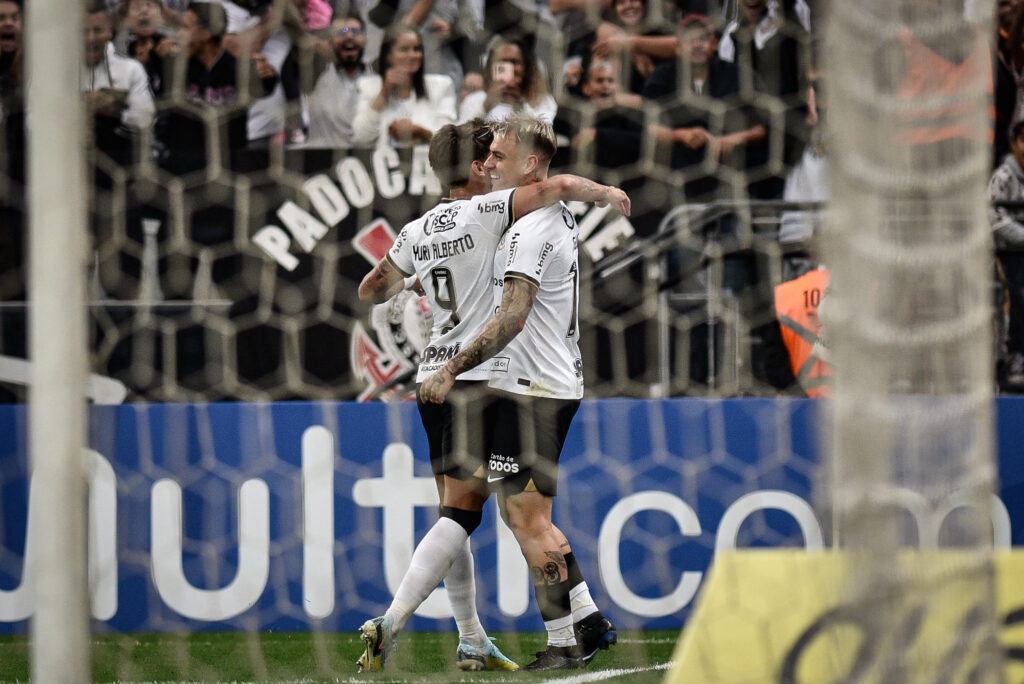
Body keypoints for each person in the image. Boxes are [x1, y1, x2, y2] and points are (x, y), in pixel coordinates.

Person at [357, 116, 628, 672]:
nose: (496, 164)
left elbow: (370, 290)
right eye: (490, 156)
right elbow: (560, 187)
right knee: (478, 514)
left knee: (479, 513)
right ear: (476, 167)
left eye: (504, 155)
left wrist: (411, 281)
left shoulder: (419, 230)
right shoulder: (500, 214)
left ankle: (491, 632)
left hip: (475, 379)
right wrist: (603, 192)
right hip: (493, 382)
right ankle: (572, 624)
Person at [352, 24, 456, 148]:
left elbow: (451, 141)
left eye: (417, 49)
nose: (413, 55)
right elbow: (360, 138)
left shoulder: (441, 86)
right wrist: (384, 92)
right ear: (388, 56)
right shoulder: (368, 86)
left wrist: (421, 132)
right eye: (404, 49)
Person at [83, 2, 156, 171]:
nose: (91, 38)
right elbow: (32, 121)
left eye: (98, 30)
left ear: (110, 30)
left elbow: (145, 120)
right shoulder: (55, 73)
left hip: (118, 165)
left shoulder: (130, 69)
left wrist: (113, 111)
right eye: (84, 32)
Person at [756, 265, 832, 397]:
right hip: (854, 406)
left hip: (797, 405)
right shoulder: (870, 293)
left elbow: (773, 364)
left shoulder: (781, 295)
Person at [988, 114, 1024, 388]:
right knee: (1018, 294)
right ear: (1013, 143)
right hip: (1006, 253)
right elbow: (993, 218)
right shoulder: (1002, 177)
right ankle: (1014, 356)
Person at [302, 11, 369, 149]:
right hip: (321, 162)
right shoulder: (317, 72)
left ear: (365, 39)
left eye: (356, 31)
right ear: (329, 41)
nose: (349, 36)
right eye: (342, 32)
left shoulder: (378, 75)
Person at [458, 37, 556, 124]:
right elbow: (460, 136)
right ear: (490, 66)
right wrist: (486, 105)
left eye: (514, 62)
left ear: (526, 66)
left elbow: (543, 136)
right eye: (501, 61)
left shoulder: (543, 101)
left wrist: (521, 104)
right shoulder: (474, 100)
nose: (509, 67)